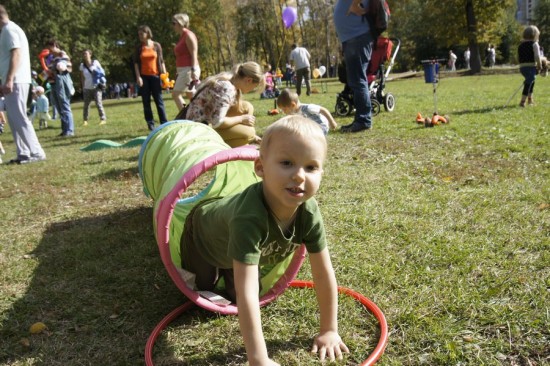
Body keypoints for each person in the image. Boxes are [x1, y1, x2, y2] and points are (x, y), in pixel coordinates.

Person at [180, 115, 349, 365]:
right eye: (287, 163)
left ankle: (231, 266)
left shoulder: (309, 212)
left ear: (322, 172)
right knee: (203, 290)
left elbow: (323, 273)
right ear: (260, 168)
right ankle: (219, 268)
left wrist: (329, 330)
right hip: (203, 237)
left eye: (311, 167)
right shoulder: (249, 217)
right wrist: (258, 359)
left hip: (234, 245)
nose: (300, 176)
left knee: (239, 291)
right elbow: (247, 293)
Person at [177, 61, 264, 147]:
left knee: (248, 107)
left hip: (208, 122)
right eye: (255, 86)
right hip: (199, 130)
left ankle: (243, 141)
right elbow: (218, 122)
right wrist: (241, 119)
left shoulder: (230, 80)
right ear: (249, 80)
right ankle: (236, 145)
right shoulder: (227, 88)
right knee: (249, 132)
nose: (253, 89)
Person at [0, 5, 46, 164]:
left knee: (19, 117)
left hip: (16, 80)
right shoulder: (10, 30)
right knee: (13, 118)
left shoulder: (9, 30)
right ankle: (24, 153)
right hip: (15, 79)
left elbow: (16, 53)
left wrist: (9, 79)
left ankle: (36, 152)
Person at [333, 0, 374, 133]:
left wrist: (355, 4)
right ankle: (362, 119)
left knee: (357, 80)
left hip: (357, 37)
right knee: (355, 80)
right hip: (352, 38)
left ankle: (363, 120)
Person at [133, 25, 168, 131]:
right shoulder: (139, 48)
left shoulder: (156, 46)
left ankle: (164, 123)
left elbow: (161, 61)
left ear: (147, 33)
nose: (139, 36)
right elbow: (135, 64)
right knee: (146, 101)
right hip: (144, 78)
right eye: (138, 34)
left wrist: (165, 76)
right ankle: (150, 124)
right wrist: (138, 77)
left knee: (159, 100)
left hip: (156, 77)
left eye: (141, 34)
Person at [45, 39, 75, 137]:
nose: (49, 50)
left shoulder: (63, 55)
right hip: (53, 84)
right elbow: (48, 71)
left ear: (54, 45)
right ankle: (64, 129)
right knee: (59, 107)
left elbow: (66, 67)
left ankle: (69, 130)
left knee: (65, 106)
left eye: (49, 48)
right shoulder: (52, 58)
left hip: (61, 84)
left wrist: (59, 66)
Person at [171, 13, 200, 111]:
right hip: (183, 70)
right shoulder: (182, 36)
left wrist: (193, 70)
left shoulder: (188, 35)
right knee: (190, 94)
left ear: (180, 23)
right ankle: (196, 115)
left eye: (173, 23)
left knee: (176, 94)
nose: (172, 26)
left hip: (189, 69)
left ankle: (186, 116)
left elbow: (194, 53)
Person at [518, 25, 544, 107]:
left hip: (522, 67)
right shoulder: (535, 44)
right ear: (535, 35)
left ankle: (530, 100)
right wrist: (539, 65)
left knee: (531, 81)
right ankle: (523, 101)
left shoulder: (521, 45)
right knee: (529, 82)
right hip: (531, 66)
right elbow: (537, 56)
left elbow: (518, 56)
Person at [79, 49, 107, 126]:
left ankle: (103, 119)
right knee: (86, 105)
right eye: (83, 54)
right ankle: (85, 120)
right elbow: (82, 77)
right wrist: (82, 87)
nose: (85, 55)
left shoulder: (95, 62)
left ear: (90, 55)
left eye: (86, 53)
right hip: (87, 88)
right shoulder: (82, 65)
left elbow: (102, 72)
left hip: (96, 87)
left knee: (98, 103)